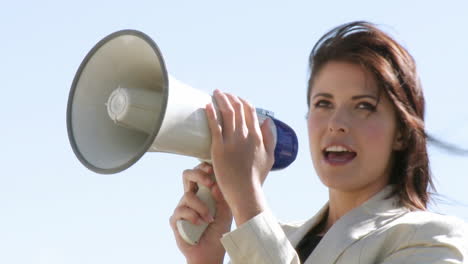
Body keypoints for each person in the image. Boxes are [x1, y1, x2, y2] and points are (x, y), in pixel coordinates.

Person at [169, 21, 468, 264]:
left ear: (401, 133)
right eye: (323, 103)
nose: (336, 123)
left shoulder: (433, 239)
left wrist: (246, 200)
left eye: (363, 106)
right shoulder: (272, 240)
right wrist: (206, 260)